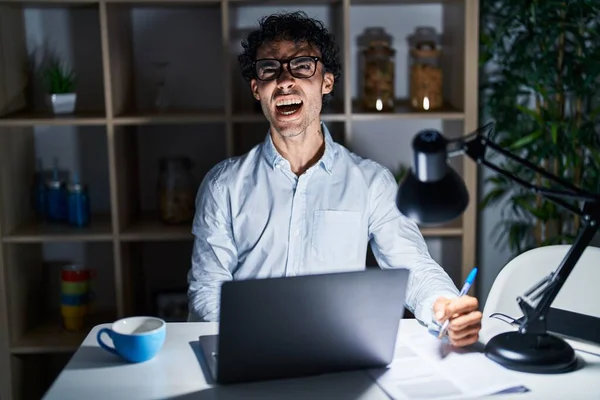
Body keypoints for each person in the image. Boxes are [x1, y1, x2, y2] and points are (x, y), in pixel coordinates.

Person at [187, 11, 482, 347]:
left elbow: (413, 266)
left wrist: (443, 306)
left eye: (302, 66)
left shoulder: (372, 182)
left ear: (326, 81)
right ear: (257, 89)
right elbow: (207, 290)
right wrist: (241, 344)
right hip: (248, 348)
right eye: (269, 69)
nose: (285, 80)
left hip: (336, 350)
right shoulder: (223, 185)